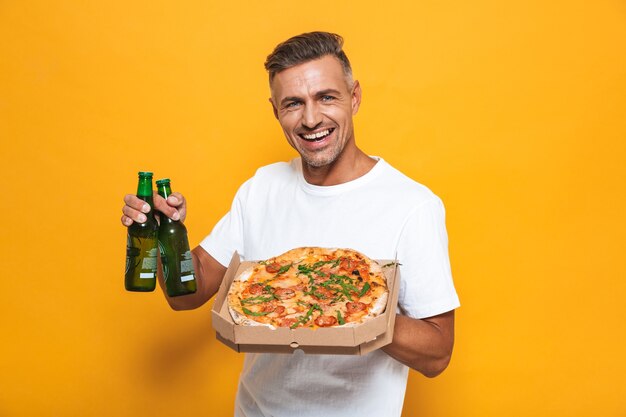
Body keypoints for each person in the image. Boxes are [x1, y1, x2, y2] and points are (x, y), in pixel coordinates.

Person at [121, 31, 460, 417]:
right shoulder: (261, 188)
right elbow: (185, 296)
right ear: (275, 111)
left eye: (326, 97)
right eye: (293, 104)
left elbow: (437, 354)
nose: (311, 118)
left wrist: (350, 304)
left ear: (355, 97)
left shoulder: (412, 205)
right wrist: (163, 235)